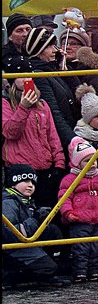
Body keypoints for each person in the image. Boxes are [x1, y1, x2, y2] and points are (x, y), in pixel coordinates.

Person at [59, 137, 98, 284]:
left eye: (94, 160)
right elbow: (64, 198)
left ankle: (95, 271)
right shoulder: (69, 180)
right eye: (87, 161)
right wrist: (68, 213)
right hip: (80, 221)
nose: (92, 164)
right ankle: (80, 272)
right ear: (77, 163)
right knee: (81, 249)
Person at [2, 75, 66, 211]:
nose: (27, 79)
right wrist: (23, 108)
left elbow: (52, 135)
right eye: (21, 76)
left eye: (29, 76)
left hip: (45, 169)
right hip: (20, 168)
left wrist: (59, 163)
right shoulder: (5, 103)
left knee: (46, 212)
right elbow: (10, 132)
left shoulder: (42, 104)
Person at [2, 164, 70, 288]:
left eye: (33, 182)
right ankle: (10, 275)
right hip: (13, 249)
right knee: (48, 268)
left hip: (25, 244)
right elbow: (11, 234)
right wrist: (36, 219)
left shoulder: (26, 201)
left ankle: (51, 266)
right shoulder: (8, 202)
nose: (30, 185)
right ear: (13, 183)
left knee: (52, 231)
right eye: (25, 181)